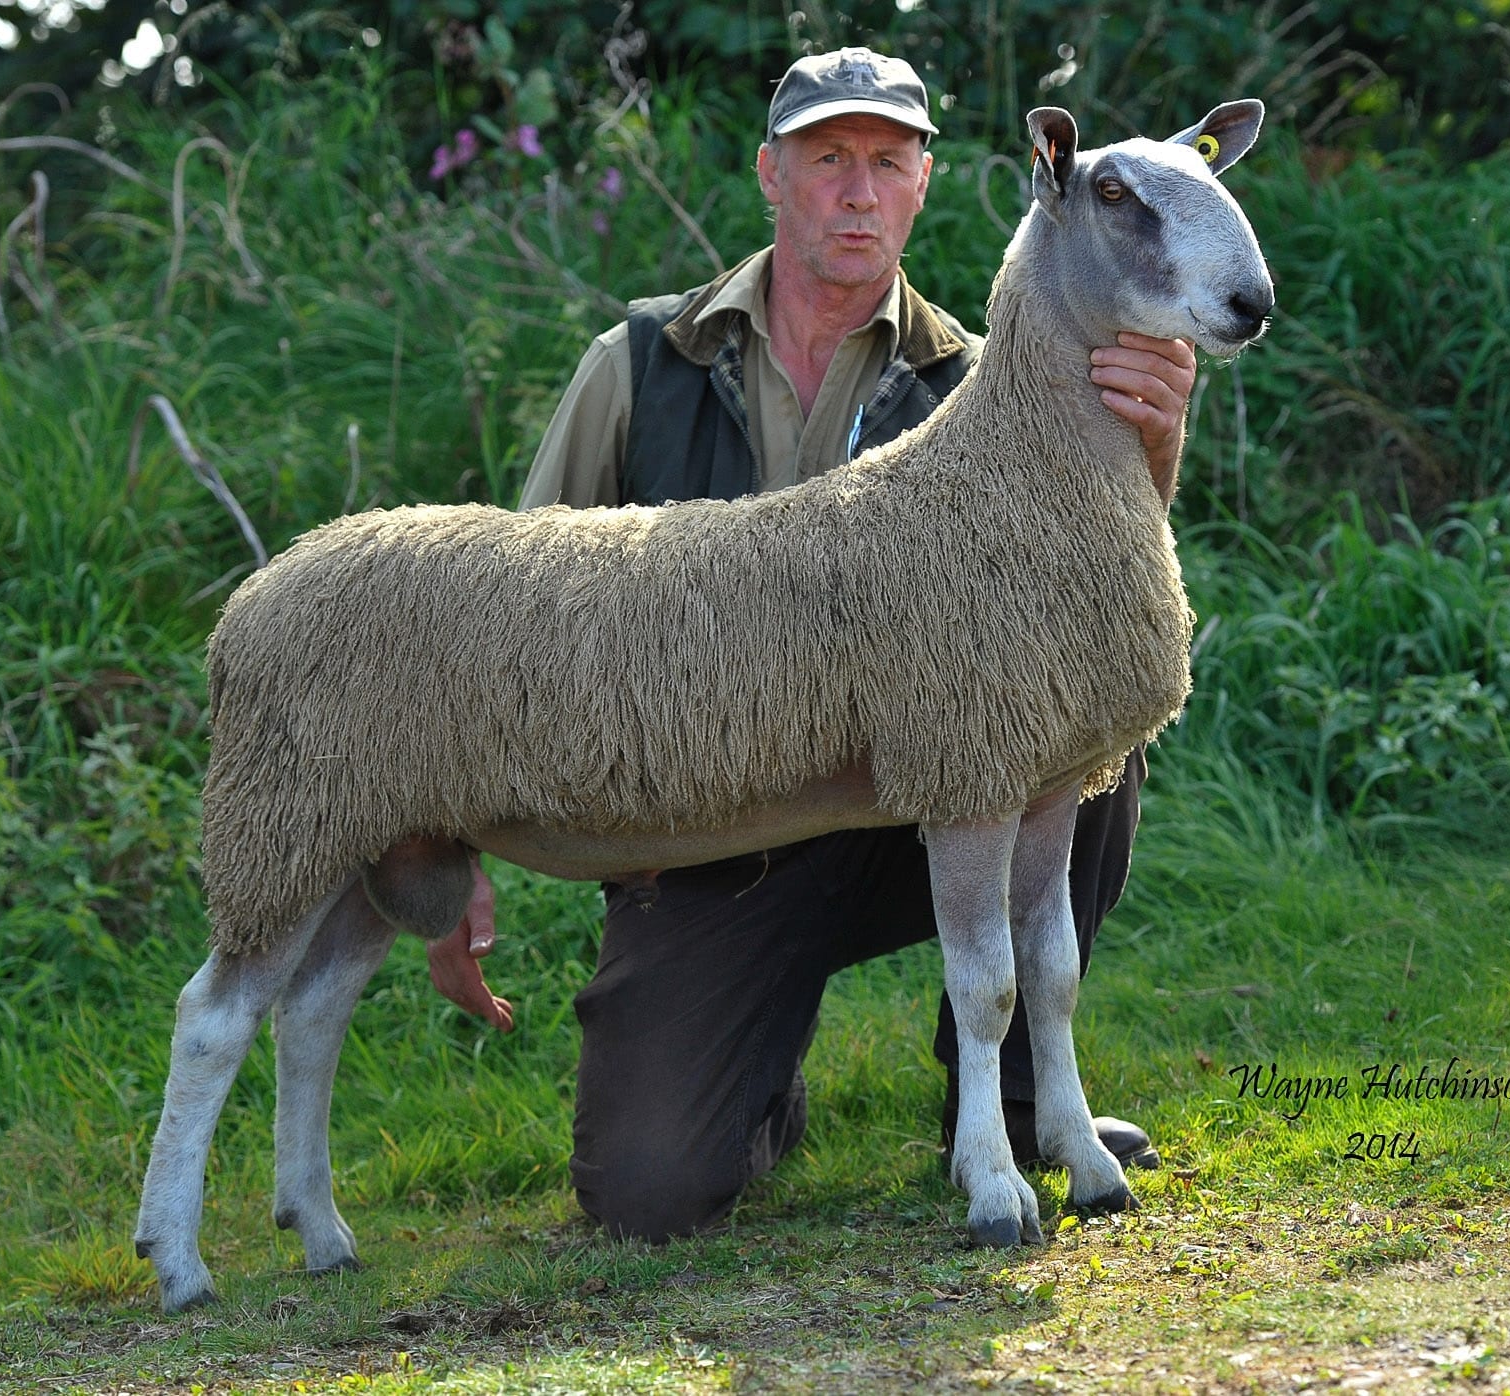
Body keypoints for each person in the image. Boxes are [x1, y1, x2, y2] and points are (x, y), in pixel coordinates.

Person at [425, 47, 1198, 1241]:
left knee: (1082, 727)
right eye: (826, 159)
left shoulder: (989, 384)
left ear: (925, 184)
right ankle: (750, 1075)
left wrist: (1152, 449)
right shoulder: (639, 368)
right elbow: (513, 623)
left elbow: (1085, 616)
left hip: (909, 802)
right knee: (649, 1190)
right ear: (768, 176)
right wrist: (448, 829)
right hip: (707, 835)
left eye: (887, 162)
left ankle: (1007, 1105)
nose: (856, 191)